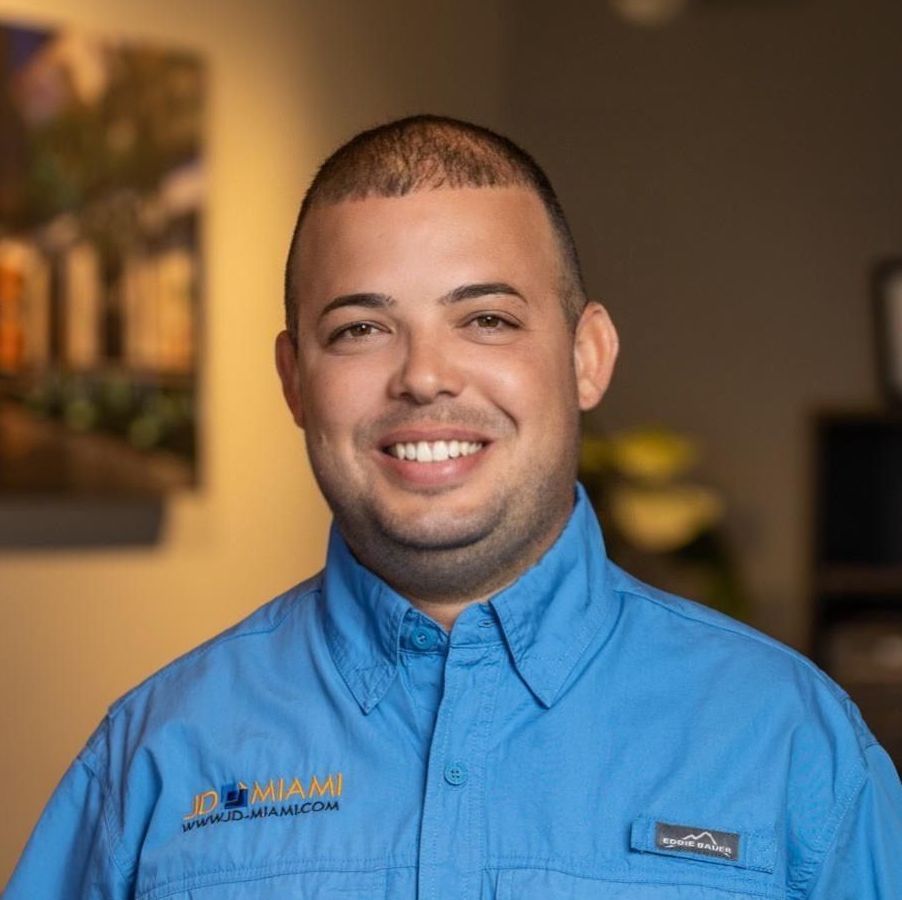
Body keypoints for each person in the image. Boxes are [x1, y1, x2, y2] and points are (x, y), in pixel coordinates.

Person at [6, 115, 901, 899]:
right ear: (294, 382)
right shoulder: (157, 755)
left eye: (487, 320)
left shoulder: (792, 747)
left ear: (587, 356)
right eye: (360, 328)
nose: (424, 376)